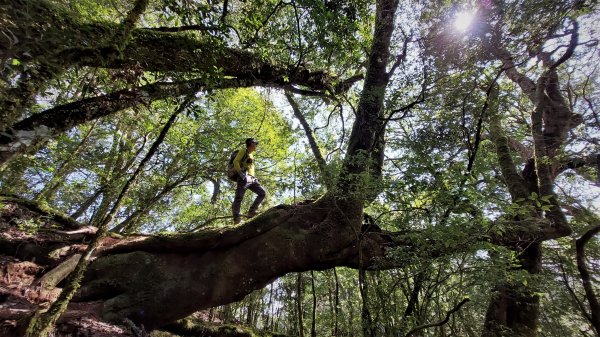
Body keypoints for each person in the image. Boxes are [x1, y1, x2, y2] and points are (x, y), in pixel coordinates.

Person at [232, 138, 266, 224]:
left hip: (252, 178)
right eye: (255, 143)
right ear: (251, 143)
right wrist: (240, 173)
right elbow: (236, 161)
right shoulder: (243, 151)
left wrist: (254, 177)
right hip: (244, 177)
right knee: (239, 197)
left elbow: (249, 167)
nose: (256, 145)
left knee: (262, 193)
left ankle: (252, 211)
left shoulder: (251, 155)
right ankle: (236, 218)